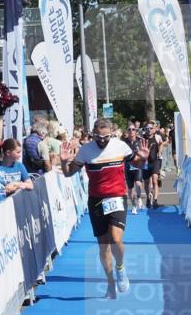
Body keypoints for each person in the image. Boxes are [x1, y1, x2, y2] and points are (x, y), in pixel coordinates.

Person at [59, 118, 150, 299]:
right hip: (96, 200)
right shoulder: (86, 150)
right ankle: (110, 283)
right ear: (93, 135)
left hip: (117, 197)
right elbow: (69, 173)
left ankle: (120, 268)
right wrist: (63, 162)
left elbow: (137, 164)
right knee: (103, 246)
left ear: (112, 134)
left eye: (105, 137)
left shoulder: (120, 146)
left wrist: (143, 158)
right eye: (98, 137)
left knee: (116, 239)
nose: (102, 141)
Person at [123, 126, 146, 214]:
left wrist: (142, 158)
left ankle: (139, 197)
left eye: (133, 129)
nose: (131, 131)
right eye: (129, 129)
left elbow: (144, 154)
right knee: (130, 188)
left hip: (137, 166)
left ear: (136, 131)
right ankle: (133, 205)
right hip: (128, 167)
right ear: (127, 131)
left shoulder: (140, 141)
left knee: (138, 183)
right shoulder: (124, 142)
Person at [143, 124, 165, 208]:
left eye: (151, 128)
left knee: (154, 180)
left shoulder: (157, 137)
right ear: (145, 129)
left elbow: (161, 143)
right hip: (145, 162)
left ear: (153, 130)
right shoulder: (142, 138)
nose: (149, 130)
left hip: (155, 161)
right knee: (146, 182)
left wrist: (160, 151)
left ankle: (155, 200)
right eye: (147, 128)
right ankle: (148, 198)